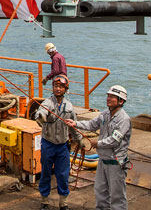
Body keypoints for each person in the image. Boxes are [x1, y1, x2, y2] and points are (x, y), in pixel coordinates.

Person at [67, 85, 132, 210]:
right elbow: (92, 124)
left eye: (112, 97)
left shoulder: (124, 119)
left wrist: (98, 143)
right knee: (100, 191)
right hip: (103, 160)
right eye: (108, 96)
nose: (108, 98)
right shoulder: (105, 114)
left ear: (121, 101)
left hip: (116, 163)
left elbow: (114, 140)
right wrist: (75, 123)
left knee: (117, 196)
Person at [34, 74, 89, 210]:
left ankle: (63, 203)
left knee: (63, 175)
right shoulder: (48, 103)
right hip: (48, 144)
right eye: (56, 86)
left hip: (63, 146)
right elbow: (41, 112)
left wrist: (79, 140)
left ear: (65, 89)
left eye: (61, 87)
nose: (58, 89)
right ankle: (44, 201)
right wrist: (40, 116)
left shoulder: (69, 107)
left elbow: (73, 126)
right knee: (46, 173)